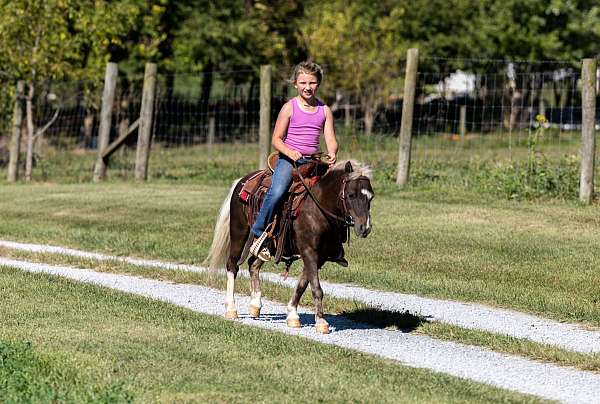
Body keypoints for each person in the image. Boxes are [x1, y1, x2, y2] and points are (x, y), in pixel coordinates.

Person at [249, 61, 338, 261]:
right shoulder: (289, 108)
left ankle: (333, 243)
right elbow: (276, 140)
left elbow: (330, 139)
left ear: (319, 84)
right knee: (278, 190)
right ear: (295, 84)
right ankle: (258, 232)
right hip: (289, 160)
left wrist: (332, 152)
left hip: (313, 161)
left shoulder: (324, 110)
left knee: (335, 193)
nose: (308, 87)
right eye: (303, 82)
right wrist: (290, 152)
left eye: (312, 83)